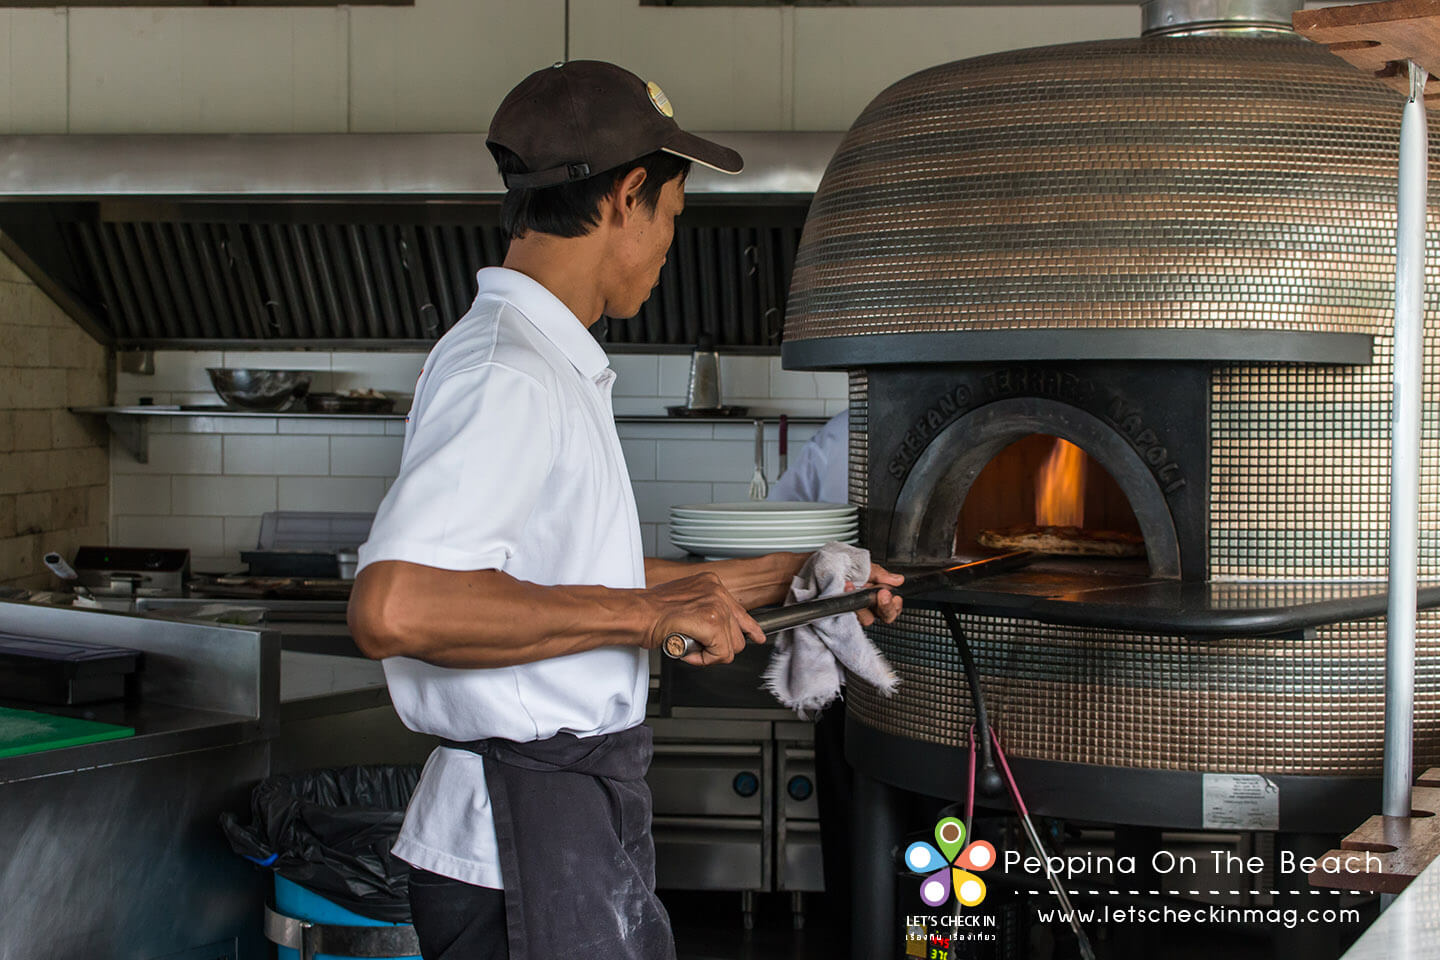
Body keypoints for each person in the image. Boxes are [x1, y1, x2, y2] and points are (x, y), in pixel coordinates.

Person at [346, 61, 903, 960]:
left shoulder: (547, 361)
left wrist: (789, 578)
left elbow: (547, 584)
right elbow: (395, 607)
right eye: (673, 220)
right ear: (627, 196)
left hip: (559, 827)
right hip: (516, 850)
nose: (668, 247)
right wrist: (648, 615)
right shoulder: (509, 371)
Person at [767, 409, 858, 948]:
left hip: (848, 663)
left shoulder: (844, 430)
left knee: (855, 822)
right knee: (947, 831)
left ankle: (858, 937)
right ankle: (932, 945)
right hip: (941, 671)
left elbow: (780, 518)